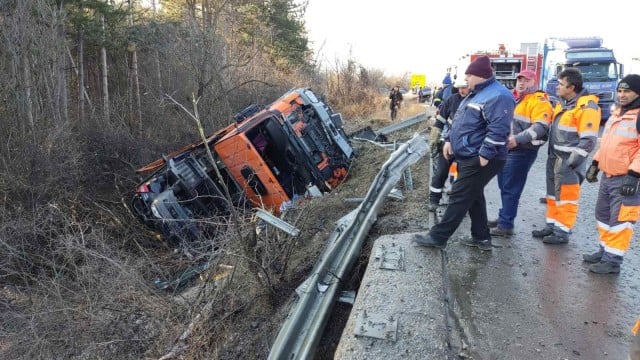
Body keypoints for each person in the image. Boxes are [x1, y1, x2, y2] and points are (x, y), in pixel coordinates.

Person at [414, 55, 514, 251]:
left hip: (483, 156)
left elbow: (499, 129)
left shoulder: (498, 96)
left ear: (479, 75)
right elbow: (460, 120)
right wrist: (449, 140)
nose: (466, 79)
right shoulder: (475, 93)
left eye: (468, 75)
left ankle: (438, 237)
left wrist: (485, 155)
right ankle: (481, 238)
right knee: (474, 195)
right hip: (469, 153)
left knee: (460, 194)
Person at [532, 67, 600, 244]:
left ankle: (562, 232)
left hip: (568, 162)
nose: (557, 87)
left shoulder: (586, 107)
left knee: (567, 198)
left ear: (572, 88)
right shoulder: (564, 103)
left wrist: (571, 163)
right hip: (555, 158)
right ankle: (552, 225)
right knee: (553, 196)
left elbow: (588, 140)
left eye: (561, 84)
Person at [581, 74, 640, 274]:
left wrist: (634, 174)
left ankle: (612, 261)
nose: (622, 95)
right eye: (620, 91)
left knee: (621, 221)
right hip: (608, 176)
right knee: (603, 216)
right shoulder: (618, 113)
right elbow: (606, 142)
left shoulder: (638, 116)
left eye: (627, 91)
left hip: (627, 178)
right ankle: (605, 250)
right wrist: (595, 163)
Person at [488, 69, 553, 236]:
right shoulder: (516, 98)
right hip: (507, 148)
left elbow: (540, 127)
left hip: (522, 150)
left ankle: (506, 224)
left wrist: (517, 139)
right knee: (504, 184)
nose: (522, 83)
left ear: (535, 83)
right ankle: (505, 217)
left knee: (511, 186)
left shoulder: (539, 101)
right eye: (520, 80)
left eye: (527, 80)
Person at [428, 78, 470, 211]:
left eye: (465, 87)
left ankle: (458, 203)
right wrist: (434, 138)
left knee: (463, 175)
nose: (462, 90)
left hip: (466, 146)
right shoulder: (452, 100)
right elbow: (440, 120)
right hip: (448, 144)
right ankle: (434, 200)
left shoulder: (476, 100)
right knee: (440, 172)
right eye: (460, 88)